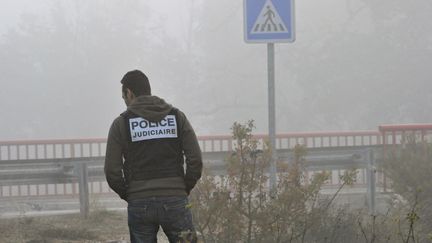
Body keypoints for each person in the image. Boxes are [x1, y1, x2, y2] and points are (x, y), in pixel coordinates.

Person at [104, 70, 203, 243]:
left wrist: (130, 194)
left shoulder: (121, 123)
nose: (125, 103)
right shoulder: (177, 117)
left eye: (124, 98)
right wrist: (182, 188)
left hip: (139, 202)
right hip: (176, 200)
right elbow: (195, 160)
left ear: (129, 93)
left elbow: (112, 171)